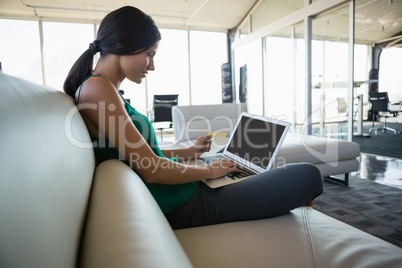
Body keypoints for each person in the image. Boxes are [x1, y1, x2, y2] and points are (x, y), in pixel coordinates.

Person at [64, 6, 323, 230]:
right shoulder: (97, 89)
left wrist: (189, 151)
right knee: (309, 176)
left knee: (258, 171)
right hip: (184, 202)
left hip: (182, 192)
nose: (151, 66)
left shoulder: (103, 89)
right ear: (122, 44)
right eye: (150, 54)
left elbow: (144, 155)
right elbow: (151, 168)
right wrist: (207, 170)